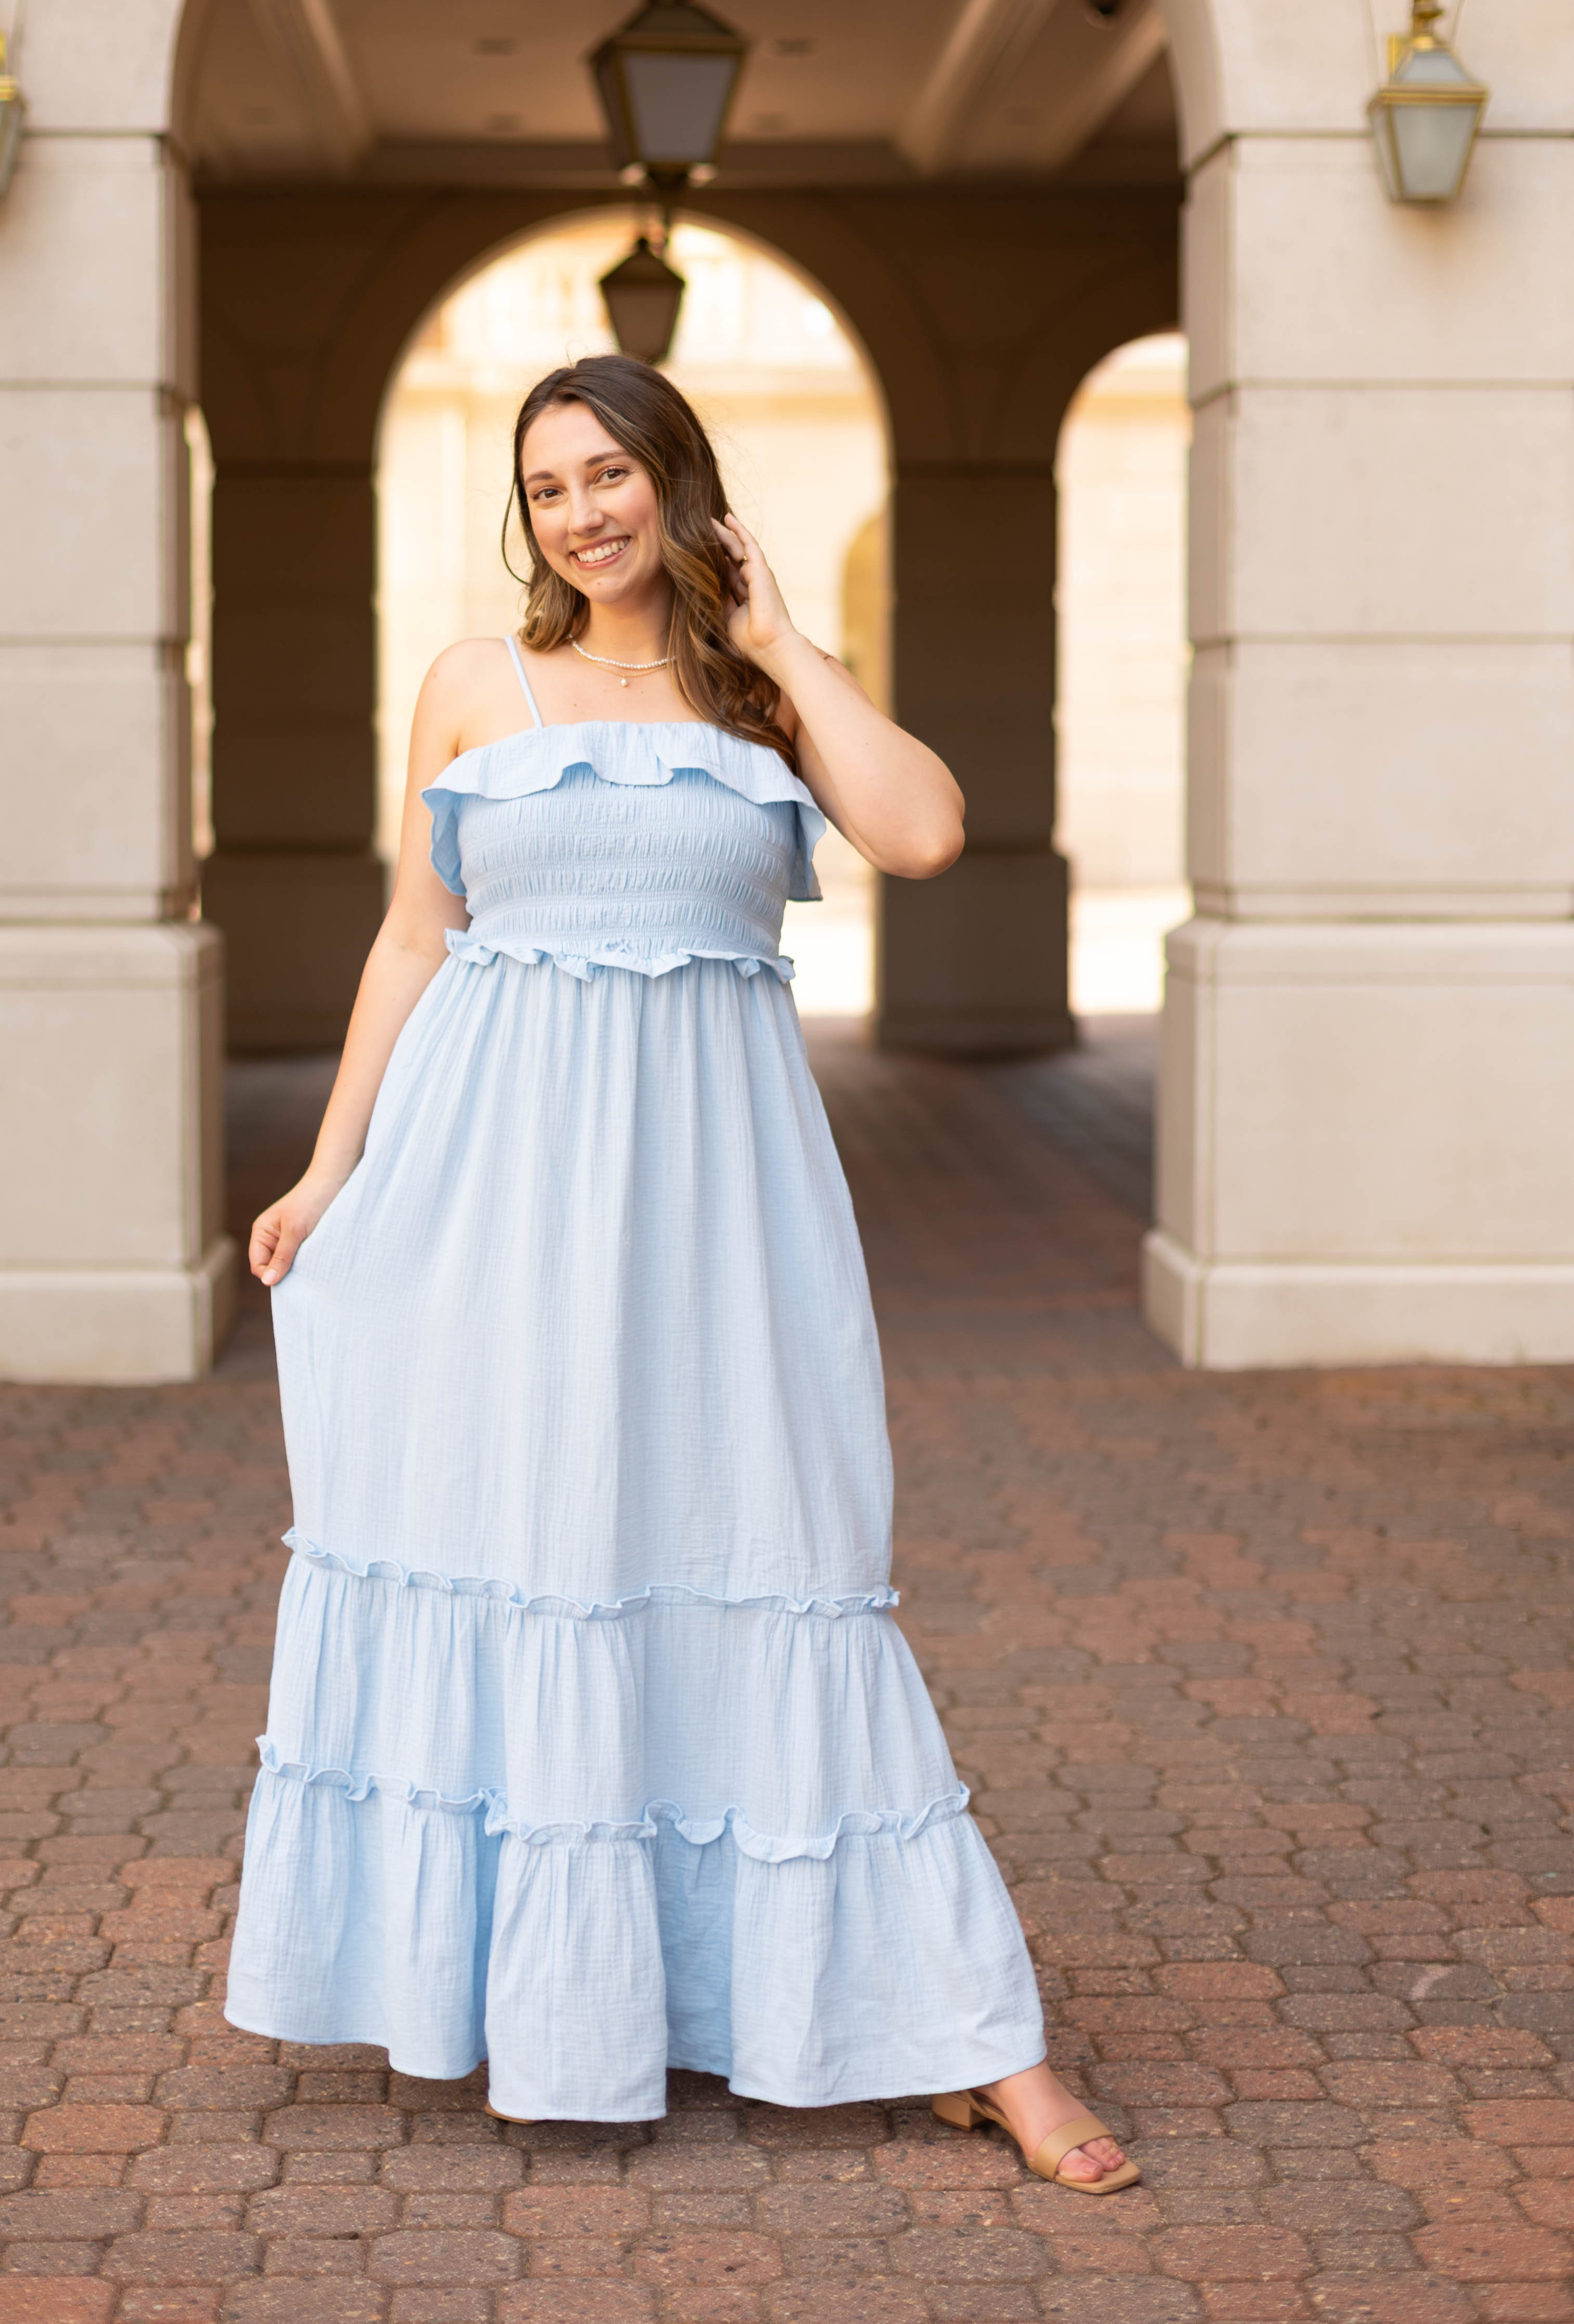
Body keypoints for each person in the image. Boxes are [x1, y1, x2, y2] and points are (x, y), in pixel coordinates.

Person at [224, 353, 1136, 2193]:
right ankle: (558, 2002)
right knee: (541, 1548)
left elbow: (926, 831)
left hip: (721, 1201)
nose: (581, 512)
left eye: (609, 473)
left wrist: (784, 640)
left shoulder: (761, 694)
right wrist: (329, 1169)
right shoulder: (473, 684)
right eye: (546, 485)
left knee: (781, 1555)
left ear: (675, 479)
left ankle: (977, 2036)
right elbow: (413, 940)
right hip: (495, 1190)